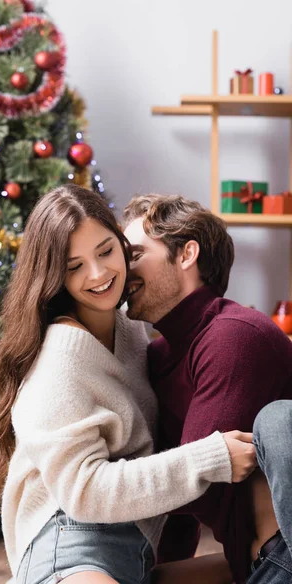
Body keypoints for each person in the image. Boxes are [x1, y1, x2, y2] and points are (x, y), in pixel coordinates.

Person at [0, 185, 256, 584]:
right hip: (72, 544)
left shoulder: (128, 327)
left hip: (133, 550)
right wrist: (210, 459)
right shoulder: (58, 360)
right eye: (73, 265)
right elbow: (84, 491)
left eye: (105, 251)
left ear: (120, 241)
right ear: (53, 276)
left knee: (259, 568)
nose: (98, 274)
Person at [123, 193, 292, 584]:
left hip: (281, 556)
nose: (120, 269)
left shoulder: (232, 335)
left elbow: (193, 481)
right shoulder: (162, 354)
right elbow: (178, 485)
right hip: (246, 560)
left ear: (186, 255)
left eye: (134, 255)